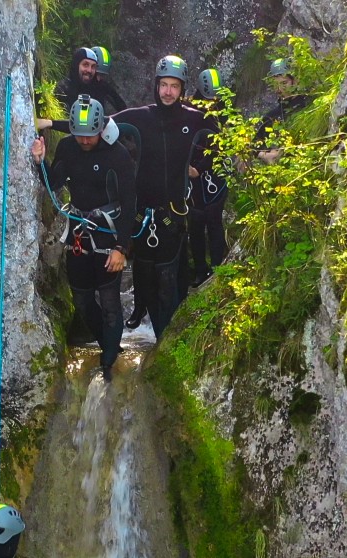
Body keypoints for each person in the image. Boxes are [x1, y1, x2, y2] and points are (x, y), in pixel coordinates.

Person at [110, 55, 215, 338]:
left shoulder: (195, 119)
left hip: (175, 214)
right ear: (156, 85)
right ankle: (150, 321)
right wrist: (49, 124)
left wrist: (200, 167)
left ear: (182, 89)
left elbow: (226, 142)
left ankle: (167, 339)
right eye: (164, 85)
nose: (168, 92)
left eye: (174, 86)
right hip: (142, 214)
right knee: (145, 274)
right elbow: (94, 126)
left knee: (171, 279)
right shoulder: (140, 117)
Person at [32, 96, 136, 380]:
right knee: (82, 300)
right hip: (79, 232)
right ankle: (109, 346)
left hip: (107, 234)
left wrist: (121, 248)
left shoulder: (118, 155)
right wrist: (41, 160)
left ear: (101, 128)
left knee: (110, 302)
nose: (85, 141)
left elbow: (129, 204)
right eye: (79, 135)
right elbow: (53, 184)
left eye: (90, 135)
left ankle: (109, 362)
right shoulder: (68, 147)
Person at [186, 68, 229, 286]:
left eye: (215, 99)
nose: (212, 103)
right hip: (193, 178)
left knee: (214, 222)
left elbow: (220, 147)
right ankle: (200, 269)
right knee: (195, 224)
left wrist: (200, 169)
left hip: (214, 176)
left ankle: (216, 267)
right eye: (209, 99)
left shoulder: (223, 111)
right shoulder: (190, 109)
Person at [256, 58, 310, 164]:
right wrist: (265, 155)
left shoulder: (308, 107)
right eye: (276, 85)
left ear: (295, 81)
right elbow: (254, 145)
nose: (279, 89)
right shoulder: (271, 117)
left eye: (284, 83)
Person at [54, 47, 128, 115]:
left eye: (93, 66)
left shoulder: (101, 88)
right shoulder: (63, 89)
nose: (89, 70)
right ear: (76, 65)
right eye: (85, 65)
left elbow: (124, 111)